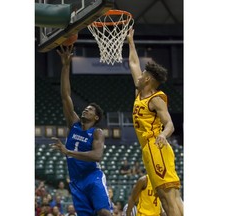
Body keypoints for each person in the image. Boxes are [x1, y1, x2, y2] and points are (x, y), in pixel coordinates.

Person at [127, 29, 183, 216]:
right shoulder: (140, 93)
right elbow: (134, 63)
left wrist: (162, 134)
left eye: (142, 74)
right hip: (151, 149)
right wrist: (131, 41)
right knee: (171, 197)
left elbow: (170, 124)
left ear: (148, 79)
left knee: (168, 198)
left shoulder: (156, 98)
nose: (139, 75)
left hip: (156, 146)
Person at [51, 45, 112, 216]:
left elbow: (97, 156)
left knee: (103, 213)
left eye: (90, 110)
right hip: (76, 181)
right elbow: (65, 96)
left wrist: (67, 151)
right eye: (85, 108)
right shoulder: (74, 124)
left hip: (93, 177)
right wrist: (65, 66)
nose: (86, 110)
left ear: (96, 117)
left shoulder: (97, 133)